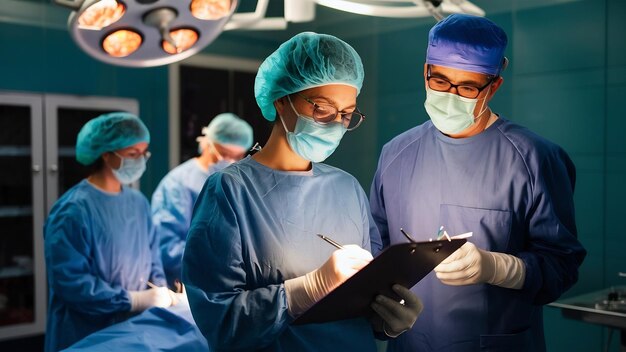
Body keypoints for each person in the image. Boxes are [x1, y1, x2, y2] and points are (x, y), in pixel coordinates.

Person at [183, 32, 422, 351]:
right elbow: (220, 321)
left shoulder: (347, 187)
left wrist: (389, 321)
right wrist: (307, 289)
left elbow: (368, 295)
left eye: (347, 114)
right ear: (282, 99)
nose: (336, 123)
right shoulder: (230, 190)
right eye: (323, 108)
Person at [369, 14, 587, 352]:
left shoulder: (534, 159)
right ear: (425, 71)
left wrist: (497, 267)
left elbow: (561, 265)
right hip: (412, 344)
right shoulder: (395, 153)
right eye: (439, 81)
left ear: (495, 85)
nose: (451, 96)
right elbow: (377, 252)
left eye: (468, 87)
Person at [43, 112, 179, 352]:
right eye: (132, 154)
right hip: (85, 333)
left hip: (134, 329)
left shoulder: (138, 203)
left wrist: (158, 293)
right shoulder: (72, 211)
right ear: (106, 154)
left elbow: (152, 257)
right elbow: (72, 284)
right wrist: (133, 300)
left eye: (143, 153)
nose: (140, 160)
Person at [151, 112, 253, 288]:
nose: (230, 161)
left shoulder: (238, 184)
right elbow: (167, 247)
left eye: (238, 156)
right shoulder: (178, 183)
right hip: (188, 286)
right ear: (208, 144)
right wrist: (211, 269)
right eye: (224, 153)